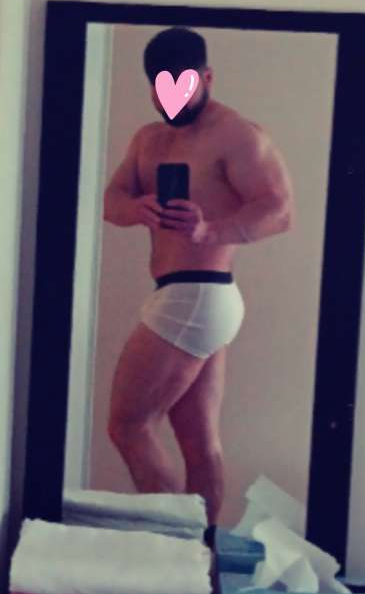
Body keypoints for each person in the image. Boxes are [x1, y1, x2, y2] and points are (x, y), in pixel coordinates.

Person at [103, 27, 295, 527]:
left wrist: (211, 230)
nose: (171, 96)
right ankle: (202, 557)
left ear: (206, 78)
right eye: (161, 86)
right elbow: (112, 201)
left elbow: (279, 211)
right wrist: (137, 208)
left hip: (198, 294)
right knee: (199, 442)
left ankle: (176, 542)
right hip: (188, 299)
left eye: (183, 83)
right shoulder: (148, 139)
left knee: (129, 425)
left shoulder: (236, 135)